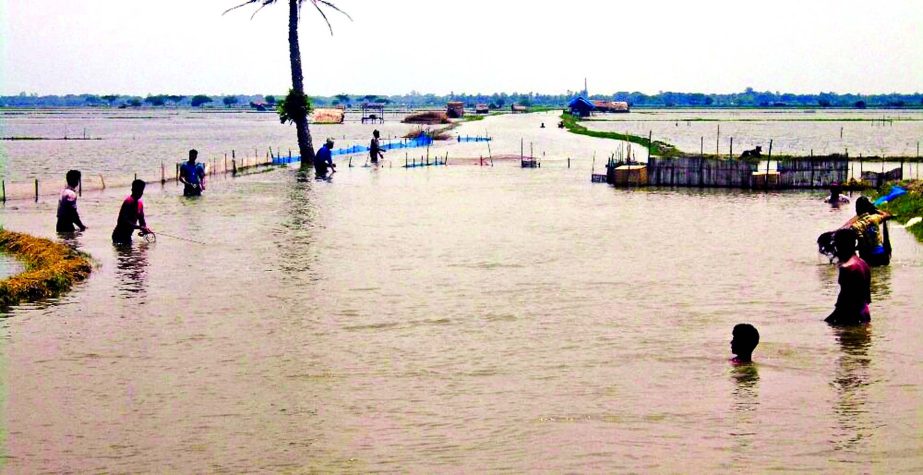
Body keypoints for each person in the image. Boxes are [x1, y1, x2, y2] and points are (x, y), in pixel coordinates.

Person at [825, 229, 871, 326]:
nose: (835, 248)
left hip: (850, 317)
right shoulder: (863, 263)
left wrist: (829, 321)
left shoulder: (847, 268)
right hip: (864, 314)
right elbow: (867, 298)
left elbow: (844, 301)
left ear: (842, 245)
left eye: (837, 244)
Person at [844, 196, 892, 266]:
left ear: (857, 209)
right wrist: (875, 209)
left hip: (869, 259)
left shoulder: (856, 225)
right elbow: (887, 215)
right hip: (883, 255)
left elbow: (862, 245)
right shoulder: (875, 218)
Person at [112, 179, 152, 245]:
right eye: (138, 190)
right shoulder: (128, 202)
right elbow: (123, 221)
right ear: (132, 190)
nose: (140, 193)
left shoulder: (140, 204)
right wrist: (139, 227)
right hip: (119, 235)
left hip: (128, 236)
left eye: (142, 191)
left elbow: (141, 220)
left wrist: (144, 229)